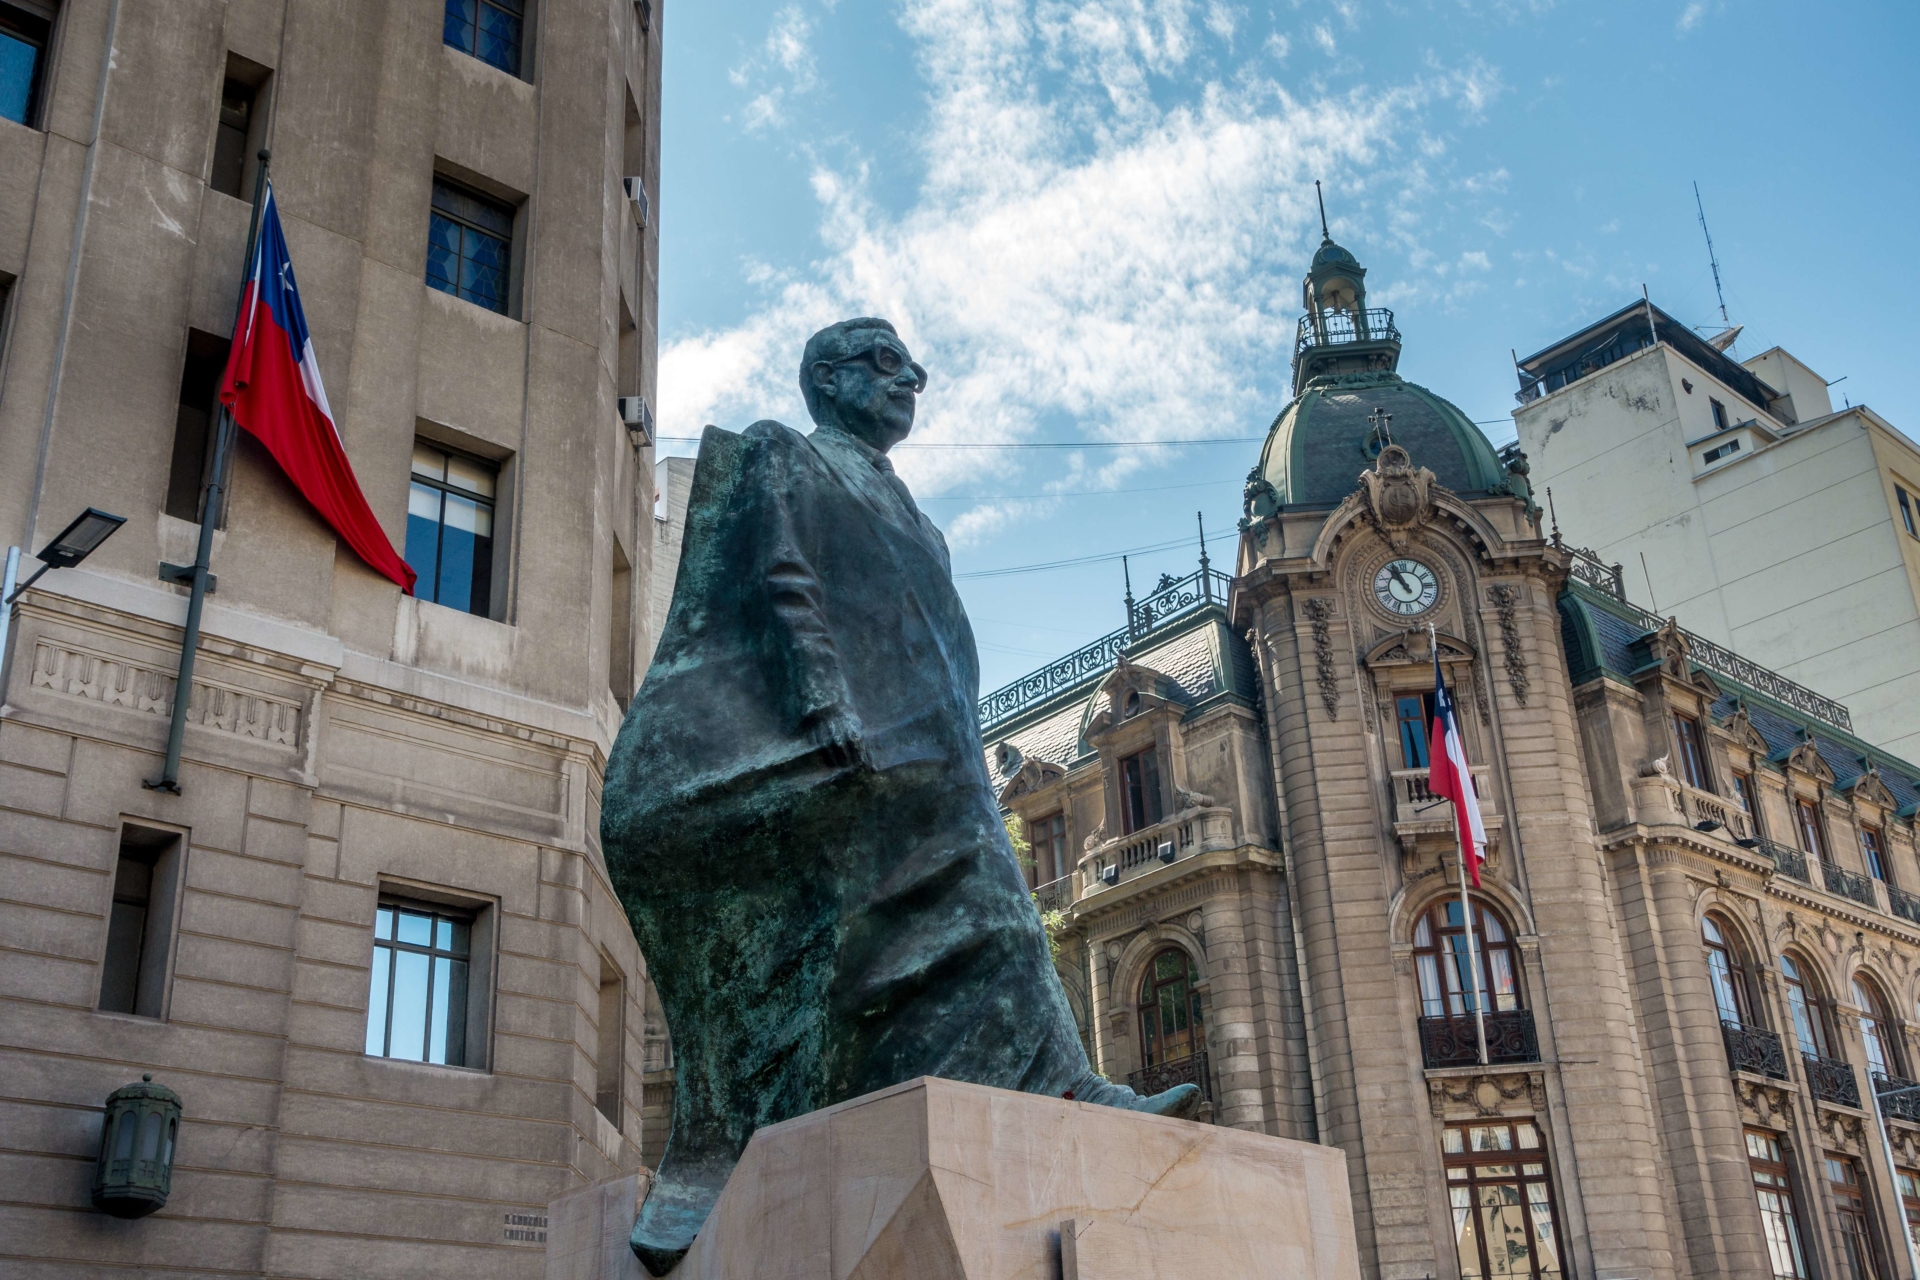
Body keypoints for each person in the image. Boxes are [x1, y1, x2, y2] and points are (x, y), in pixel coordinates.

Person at [601, 317, 1200, 1274]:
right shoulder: (781, 455)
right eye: (886, 363)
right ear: (826, 379)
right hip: (830, 744)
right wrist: (822, 700)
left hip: (926, 754)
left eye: (913, 368)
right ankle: (1065, 1084)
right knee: (995, 891)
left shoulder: (923, 520)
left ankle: (1048, 1082)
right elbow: (780, 579)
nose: (908, 381)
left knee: (986, 895)